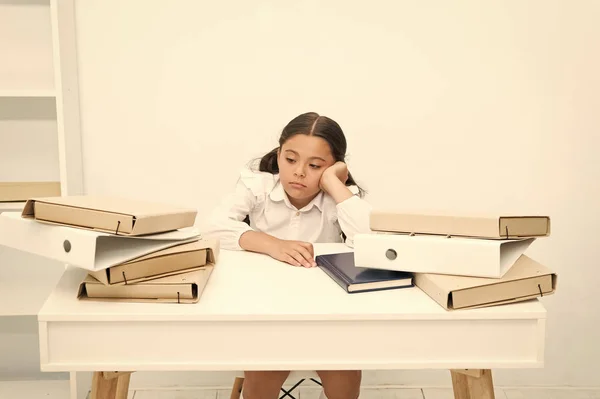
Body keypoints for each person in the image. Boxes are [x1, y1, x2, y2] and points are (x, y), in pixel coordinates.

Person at [204, 111, 372, 399]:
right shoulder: (257, 186)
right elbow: (210, 229)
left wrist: (333, 183)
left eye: (316, 165)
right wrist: (272, 244)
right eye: (290, 160)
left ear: (335, 166)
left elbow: (371, 239)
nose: (299, 172)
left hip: (326, 315)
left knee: (345, 369)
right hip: (267, 312)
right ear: (278, 153)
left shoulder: (340, 197)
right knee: (264, 366)